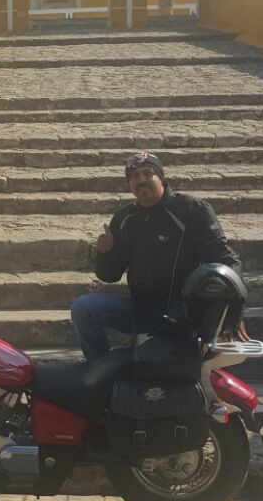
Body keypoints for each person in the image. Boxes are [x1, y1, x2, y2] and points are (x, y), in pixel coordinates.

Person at [70, 151, 243, 361]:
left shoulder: (190, 209)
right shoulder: (125, 218)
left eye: (148, 173)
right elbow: (110, 275)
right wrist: (105, 253)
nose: (141, 180)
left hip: (183, 315)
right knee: (83, 308)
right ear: (129, 184)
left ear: (161, 177)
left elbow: (226, 261)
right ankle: (100, 372)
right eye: (134, 176)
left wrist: (231, 312)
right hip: (140, 311)